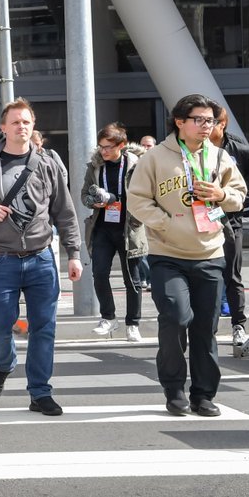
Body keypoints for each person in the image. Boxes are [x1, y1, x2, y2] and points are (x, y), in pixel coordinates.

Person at [0, 98, 82, 417]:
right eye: (15, 122)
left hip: (40, 257)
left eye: (26, 121)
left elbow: (64, 211)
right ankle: (5, 363)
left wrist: (74, 254)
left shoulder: (48, 163)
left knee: (44, 327)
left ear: (33, 126)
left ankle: (40, 392)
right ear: (3, 127)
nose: (21, 126)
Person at [127, 94, 246, 417]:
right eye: (200, 120)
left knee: (206, 328)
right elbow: (137, 199)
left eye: (211, 121)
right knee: (176, 319)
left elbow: (240, 195)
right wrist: (163, 223)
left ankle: (204, 394)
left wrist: (222, 194)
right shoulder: (155, 158)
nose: (207, 126)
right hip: (168, 254)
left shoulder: (220, 157)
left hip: (210, 252)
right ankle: (174, 388)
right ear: (180, 122)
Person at [81, 123, 148, 342]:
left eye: (108, 147)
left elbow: (149, 194)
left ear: (121, 145)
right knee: (99, 274)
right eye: (101, 147)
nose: (104, 151)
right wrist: (93, 202)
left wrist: (137, 213)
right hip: (102, 227)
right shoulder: (95, 166)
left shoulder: (137, 165)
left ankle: (133, 323)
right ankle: (108, 317)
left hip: (130, 228)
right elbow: (84, 194)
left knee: (133, 279)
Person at [209, 109, 249, 346]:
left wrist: (247, 199)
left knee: (232, 275)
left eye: (210, 121)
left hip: (231, 218)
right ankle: (207, 328)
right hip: (201, 220)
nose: (204, 126)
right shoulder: (192, 148)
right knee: (207, 276)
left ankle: (238, 325)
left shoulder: (238, 149)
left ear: (222, 124)